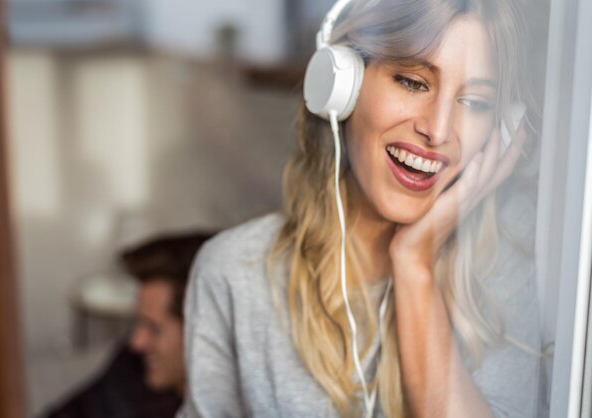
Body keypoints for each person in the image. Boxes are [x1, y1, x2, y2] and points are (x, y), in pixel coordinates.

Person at [180, 0, 543, 417]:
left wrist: (415, 264)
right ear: (341, 84)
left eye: (476, 103)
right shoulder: (234, 273)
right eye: (412, 81)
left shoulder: (504, 265)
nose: (438, 130)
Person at [43, 232, 213, 418]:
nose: (136, 342)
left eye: (154, 328)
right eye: (138, 323)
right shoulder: (128, 377)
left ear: (204, 331)